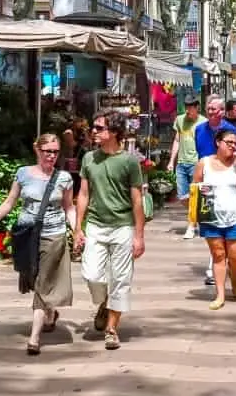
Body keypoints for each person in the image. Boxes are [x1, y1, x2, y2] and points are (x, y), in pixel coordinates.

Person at [0, 134, 76, 355]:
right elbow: (10, 201)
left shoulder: (63, 178)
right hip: (26, 235)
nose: (52, 156)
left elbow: (69, 208)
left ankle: (34, 337)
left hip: (53, 235)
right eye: (48, 151)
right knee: (33, 278)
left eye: (55, 152)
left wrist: (78, 230)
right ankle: (51, 312)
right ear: (37, 150)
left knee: (44, 282)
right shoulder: (23, 174)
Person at [74, 113, 146, 351]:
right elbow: (83, 194)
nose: (93, 131)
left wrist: (139, 236)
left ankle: (112, 329)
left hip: (123, 225)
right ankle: (104, 303)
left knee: (121, 279)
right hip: (96, 224)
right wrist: (78, 228)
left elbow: (137, 200)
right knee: (92, 275)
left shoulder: (129, 162)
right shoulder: (88, 159)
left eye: (99, 127)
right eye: (93, 127)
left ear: (114, 132)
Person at [193, 127, 236, 310]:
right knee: (218, 255)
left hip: (235, 216)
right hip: (211, 216)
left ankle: (234, 277)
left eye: (235, 143)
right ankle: (220, 294)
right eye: (229, 142)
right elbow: (195, 185)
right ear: (218, 143)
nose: (232, 146)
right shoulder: (204, 163)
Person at [194, 97, 236, 287]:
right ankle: (214, 266)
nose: (211, 112)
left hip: (228, 185)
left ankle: (228, 268)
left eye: (215, 109)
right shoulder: (199, 129)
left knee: (228, 232)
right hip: (207, 184)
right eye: (209, 108)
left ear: (222, 111)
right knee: (212, 229)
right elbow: (200, 155)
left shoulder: (232, 130)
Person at [168, 96, 202, 239]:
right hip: (181, 163)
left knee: (194, 195)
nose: (188, 110)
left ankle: (191, 225)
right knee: (182, 197)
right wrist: (171, 160)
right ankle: (195, 216)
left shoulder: (203, 122)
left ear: (197, 107)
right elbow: (177, 140)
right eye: (186, 106)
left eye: (191, 107)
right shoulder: (180, 120)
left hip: (196, 162)